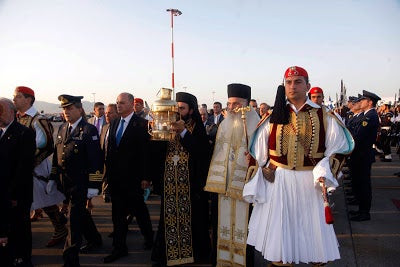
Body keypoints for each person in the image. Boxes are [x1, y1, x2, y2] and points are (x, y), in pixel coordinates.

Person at [242, 66, 354, 266]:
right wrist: (258, 175)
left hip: (309, 182)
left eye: (298, 81)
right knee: (280, 238)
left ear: (308, 86)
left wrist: (324, 170)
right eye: (288, 82)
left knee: (313, 236)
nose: (292, 86)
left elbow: (340, 148)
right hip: (279, 182)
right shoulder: (273, 116)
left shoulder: (324, 116)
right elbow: (257, 152)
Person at [151, 92, 211, 266]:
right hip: (169, 180)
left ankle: (194, 254)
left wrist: (183, 132)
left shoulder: (196, 127)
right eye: (176, 107)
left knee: (194, 220)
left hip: (191, 184)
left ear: (191, 110)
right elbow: (157, 153)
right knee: (168, 218)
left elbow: (201, 153)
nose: (178, 111)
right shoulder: (167, 124)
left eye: (182, 108)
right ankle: (166, 254)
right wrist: (156, 133)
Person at [205, 83, 260, 267]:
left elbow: (263, 157)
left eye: (236, 103)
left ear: (246, 104)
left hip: (246, 187)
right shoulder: (223, 125)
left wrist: (253, 159)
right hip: (224, 187)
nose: (232, 108)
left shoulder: (257, 125)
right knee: (221, 227)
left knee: (244, 231)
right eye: (229, 103)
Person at [48, 95, 103, 266]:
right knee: (81, 215)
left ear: (80, 109)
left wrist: (94, 185)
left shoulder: (88, 130)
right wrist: (53, 177)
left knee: (74, 222)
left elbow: (96, 160)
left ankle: (70, 260)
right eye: (64, 109)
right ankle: (95, 239)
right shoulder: (63, 128)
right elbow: (58, 157)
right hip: (66, 183)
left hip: (81, 183)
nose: (66, 112)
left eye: (69, 108)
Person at [13, 86, 67, 247]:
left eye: (18, 97)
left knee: (47, 199)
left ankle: (60, 228)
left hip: (37, 167)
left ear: (28, 99)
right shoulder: (17, 118)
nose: (14, 99)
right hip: (21, 167)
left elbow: (46, 145)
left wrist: (27, 162)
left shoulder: (38, 120)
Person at [103, 93, 154, 263]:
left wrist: (146, 177)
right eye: (117, 103)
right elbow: (111, 150)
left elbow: (146, 153)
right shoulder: (115, 122)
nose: (118, 105)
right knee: (117, 214)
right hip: (116, 178)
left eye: (122, 103)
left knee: (139, 210)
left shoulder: (142, 124)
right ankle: (119, 247)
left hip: (134, 178)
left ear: (132, 104)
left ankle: (149, 238)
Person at [0, 97, 36, 266]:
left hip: (17, 195)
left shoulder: (24, 133)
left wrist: (12, 195)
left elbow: (23, 169)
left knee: (19, 231)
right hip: (2, 194)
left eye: (2, 110)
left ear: (13, 112)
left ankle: (22, 260)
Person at [348, 90, 380, 221]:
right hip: (359, 154)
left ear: (370, 102)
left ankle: (364, 212)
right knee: (359, 182)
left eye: (363, 100)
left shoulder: (370, 116)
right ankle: (361, 208)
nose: (360, 102)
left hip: (363, 154)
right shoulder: (366, 115)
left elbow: (358, 136)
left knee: (364, 184)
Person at [99, 104, 119, 203]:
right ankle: (106, 193)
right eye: (106, 113)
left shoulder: (120, 128)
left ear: (117, 113)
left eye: (110, 113)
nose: (107, 115)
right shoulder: (104, 127)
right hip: (105, 161)